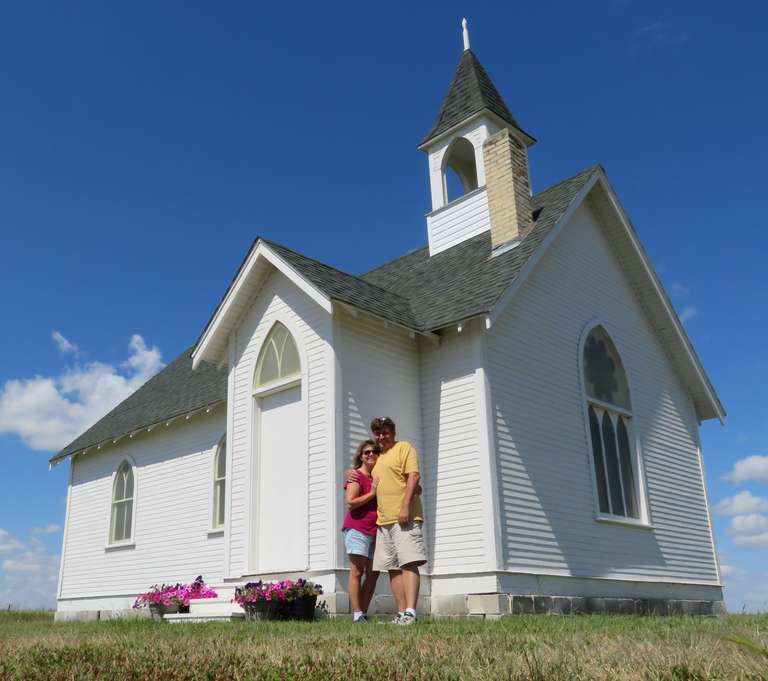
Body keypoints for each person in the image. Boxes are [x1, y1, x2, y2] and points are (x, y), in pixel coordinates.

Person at [367, 416, 426, 625]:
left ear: (393, 431)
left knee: (408, 563)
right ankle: (401, 614)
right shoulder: (378, 458)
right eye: (378, 433)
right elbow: (362, 472)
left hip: (404, 517)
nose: (381, 436)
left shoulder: (404, 448)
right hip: (384, 523)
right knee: (392, 567)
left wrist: (405, 506)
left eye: (385, 432)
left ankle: (411, 612)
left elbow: (413, 477)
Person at [342, 439, 380, 623]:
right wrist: (372, 494)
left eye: (374, 451)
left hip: (377, 531)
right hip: (358, 529)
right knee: (357, 571)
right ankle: (357, 614)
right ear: (361, 456)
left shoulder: (379, 477)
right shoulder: (356, 476)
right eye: (367, 452)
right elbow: (350, 502)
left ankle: (363, 614)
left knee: (373, 574)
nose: (371, 454)